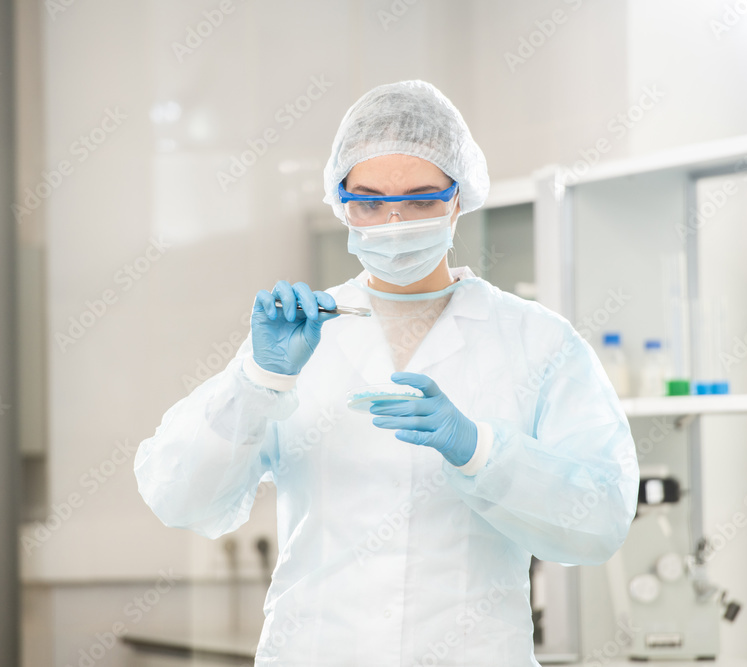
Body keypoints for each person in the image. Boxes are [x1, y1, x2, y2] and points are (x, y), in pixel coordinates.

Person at [135, 80, 638, 666]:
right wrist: (259, 380)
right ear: (339, 200)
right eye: (369, 201)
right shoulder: (297, 335)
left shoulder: (537, 341)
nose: (394, 221)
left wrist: (480, 451)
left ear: (459, 197)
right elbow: (179, 495)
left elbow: (599, 522)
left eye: (423, 198)